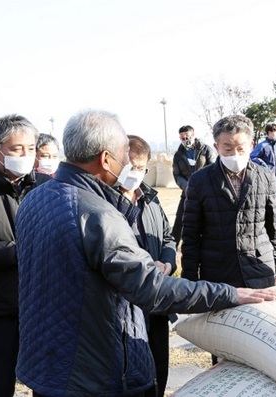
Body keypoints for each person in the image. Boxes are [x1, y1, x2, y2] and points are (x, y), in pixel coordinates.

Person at [15, 110, 276, 396]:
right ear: (106, 159)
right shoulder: (97, 215)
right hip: (93, 370)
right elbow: (151, 288)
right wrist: (229, 294)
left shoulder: (36, 197)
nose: (128, 162)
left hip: (48, 363)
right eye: (123, 153)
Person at [181, 114, 276, 288]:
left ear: (251, 145)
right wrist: (190, 278)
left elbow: (273, 227)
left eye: (241, 149)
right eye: (227, 149)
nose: (235, 155)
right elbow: (191, 234)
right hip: (218, 272)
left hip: (259, 266)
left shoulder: (266, 176)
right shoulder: (199, 181)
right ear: (216, 147)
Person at [117, 135, 177, 397]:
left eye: (140, 168)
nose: (134, 173)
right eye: (129, 166)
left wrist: (167, 262)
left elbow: (167, 236)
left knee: (159, 367)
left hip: (156, 300)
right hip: (124, 306)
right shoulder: (104, 201)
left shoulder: (150, 199)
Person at [0, 114, 40, 397]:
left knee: (47, 383)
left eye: (30, 148)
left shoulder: (45, 187)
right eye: (17, 149)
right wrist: (17, 251)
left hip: (43, 308)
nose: (25, 155)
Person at [171, 125, 216, 246]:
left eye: (187, 136)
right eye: (182, 138)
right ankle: (172, 248)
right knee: (180, 221)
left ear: (193, 135)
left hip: (206, 193)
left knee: (209, 220)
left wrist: (202, 186)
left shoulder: (206, 150)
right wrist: (187, 187)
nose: (185, 139)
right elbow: (177, 174)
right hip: (187, 192)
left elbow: (213, 170)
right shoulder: (178, 154)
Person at [250, 122, 276, 202]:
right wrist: (262, 163)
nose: (275, 133)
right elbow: (252, 157)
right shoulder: (262, 146)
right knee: (268, 202)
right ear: (269, 133)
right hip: (267, 179)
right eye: (273, 131)